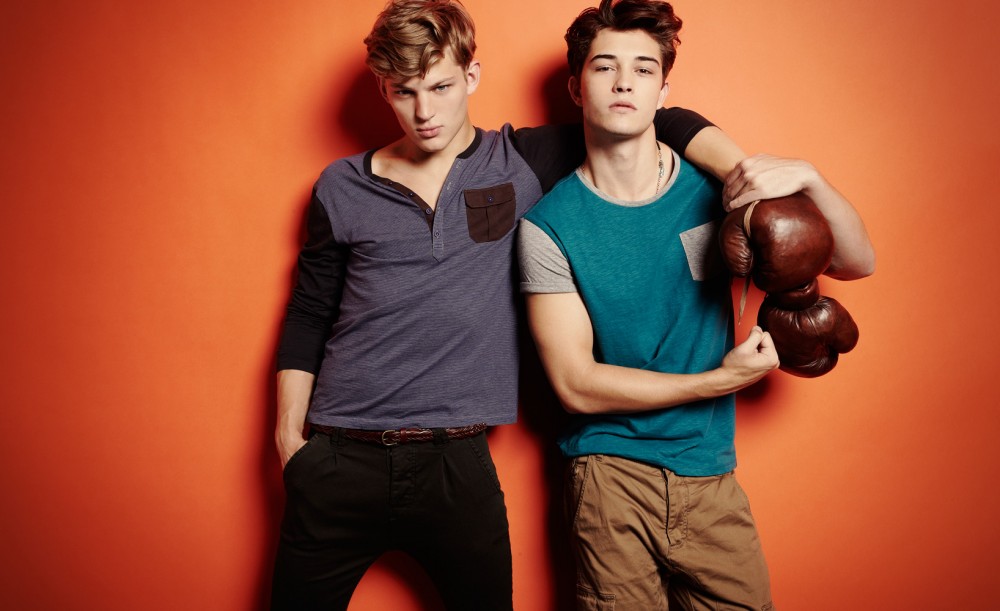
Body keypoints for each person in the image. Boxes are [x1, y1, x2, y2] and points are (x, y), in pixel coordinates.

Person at [269, 1, 754, 608]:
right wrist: (290, 442)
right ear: (382, 89)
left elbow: (660, 117)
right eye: (404, 92)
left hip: (459, 455)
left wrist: (747, 175)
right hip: (340, 451)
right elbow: (309, 313)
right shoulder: (341, 186)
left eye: (441, 87)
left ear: (471, 76)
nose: (425, 112)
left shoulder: (522, 159)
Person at [518, 0, 876, 609]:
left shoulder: (722, 194)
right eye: (604, 67)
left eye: (643, 69)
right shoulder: (546, 227)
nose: (624, 82)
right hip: (608, 478)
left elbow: (856, 261)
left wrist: (809, 177)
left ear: (663, 92)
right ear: (576, 89)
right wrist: (719, 381)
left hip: (710, 472)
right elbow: (576, 385)